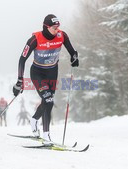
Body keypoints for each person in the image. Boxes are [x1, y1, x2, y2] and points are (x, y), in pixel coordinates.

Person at [13, 14, 79, 145]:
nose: (57, 30)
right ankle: (46, 136)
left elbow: (72, 51)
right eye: (54, 27)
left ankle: (34, 120)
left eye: (58, 27)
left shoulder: (62, 35)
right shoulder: (35, 39)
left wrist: (74, 57)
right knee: (48, 100)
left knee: (47, 101)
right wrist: (20, 81)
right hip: (37, 73)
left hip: (52, 72)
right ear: (46, 27)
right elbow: (22, 59)